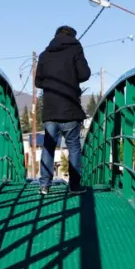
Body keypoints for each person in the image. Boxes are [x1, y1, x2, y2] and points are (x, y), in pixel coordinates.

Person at [34, 25, 91, 194]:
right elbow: (84, 74)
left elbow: (38, 82)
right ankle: (74, 186)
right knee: (73, 146)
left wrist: (50, 85)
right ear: (73, 36)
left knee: (49, 146)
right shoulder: (76, 49)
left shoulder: (45, 55)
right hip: (70, 107)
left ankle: (44, 185)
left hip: (51, 109)